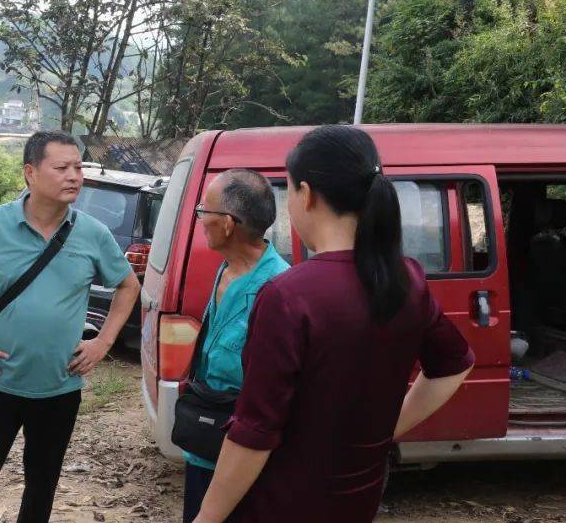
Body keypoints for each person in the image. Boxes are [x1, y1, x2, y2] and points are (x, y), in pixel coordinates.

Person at [192, 125, 475, 523]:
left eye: (288, 191)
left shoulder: (288, 296)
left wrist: (207, 516)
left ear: (306, 195)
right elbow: (455, 364)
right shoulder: (407, 279)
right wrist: (385, 430)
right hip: (359, 498)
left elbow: (254, 433)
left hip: (283, 503)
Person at [0, 130, 142, 523]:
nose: (74, 175)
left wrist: (104, 341)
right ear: (30, 173)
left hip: (60, 387)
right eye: (61, 167)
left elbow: (128, 285)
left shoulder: (91, 232)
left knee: (42, 487)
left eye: (78, 166)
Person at [182, 169, 289, 523]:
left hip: (244, 451)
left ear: (227, 224)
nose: (199, 220)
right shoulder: (226, 269)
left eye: (203, 212)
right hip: (205, 436)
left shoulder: (279, 289)